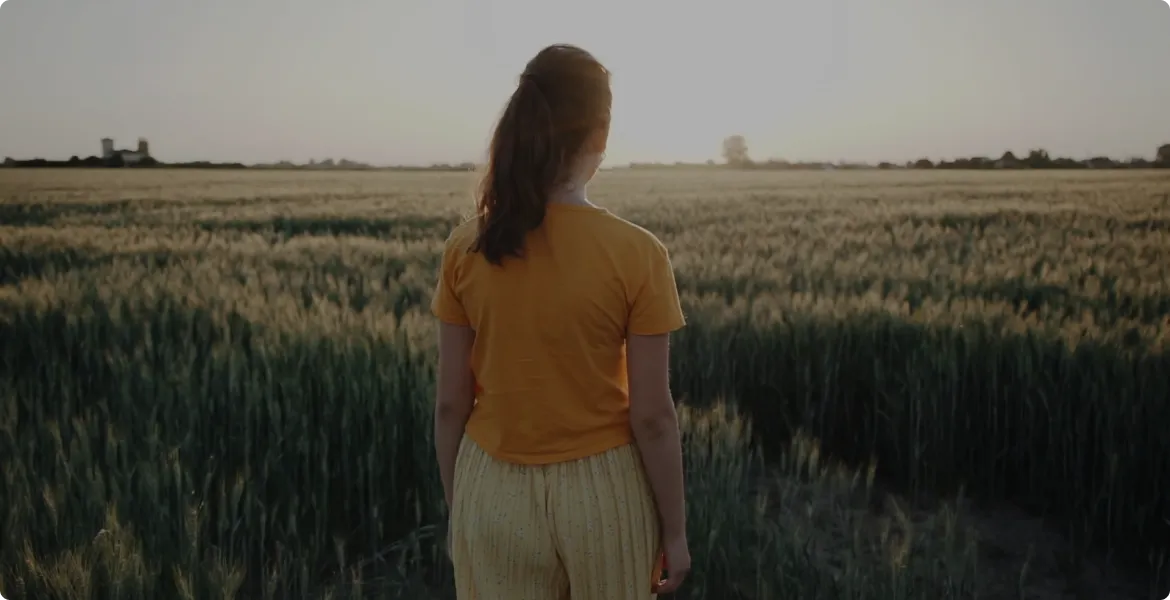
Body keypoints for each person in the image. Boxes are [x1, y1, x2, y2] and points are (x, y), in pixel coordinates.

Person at [429, 44, 690, 599]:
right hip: (603, 497)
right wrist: (676, 532)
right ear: (600, 136)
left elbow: (451, 401)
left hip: (491, 485)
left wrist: (465, 510)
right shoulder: (638, 253)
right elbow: (653, 418)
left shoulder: (465, 248)